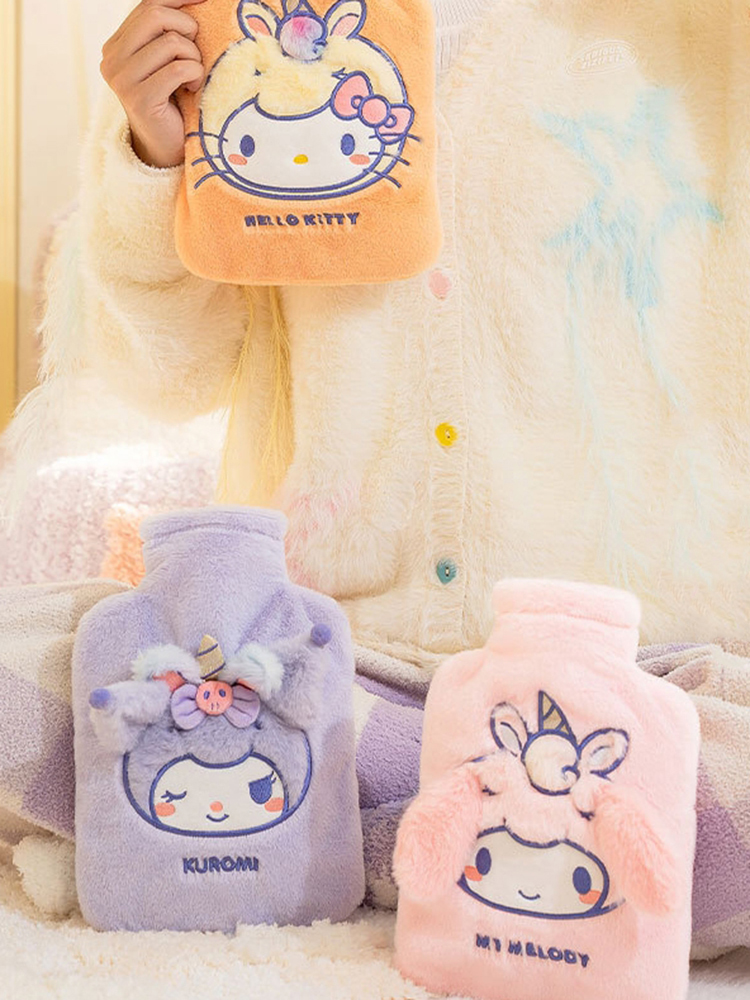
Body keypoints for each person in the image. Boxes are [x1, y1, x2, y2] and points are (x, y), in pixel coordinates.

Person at [28, 0, 750, 674]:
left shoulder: (703, 35)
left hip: (645, 656)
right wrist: (157, 160)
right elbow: (164, 377)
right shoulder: (236, 38)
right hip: (336, 651)